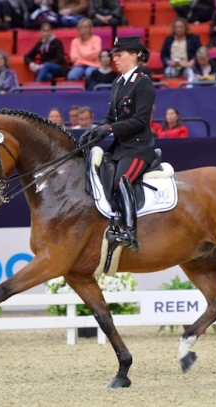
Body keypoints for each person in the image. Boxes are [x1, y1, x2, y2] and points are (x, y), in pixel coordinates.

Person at [80, 35, 155, 252]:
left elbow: (140, 121)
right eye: (114, 55)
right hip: (120, 148)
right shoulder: (117, 83)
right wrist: (96, 131)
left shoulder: (143, 83)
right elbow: (110, 117)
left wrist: (110, 129)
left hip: (138, 147)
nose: (115, 59)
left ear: (134, 56)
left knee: (122, 179)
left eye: (119, 55)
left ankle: (130, 231)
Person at [66, 18, 101, 83]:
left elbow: (96, 54)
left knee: (90, 74)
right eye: (81, 27)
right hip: (79, 65)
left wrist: (81, 54)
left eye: (86, 27)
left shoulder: (96, 39)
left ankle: (90, 92)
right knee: (71, 76)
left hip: (93, 65)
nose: (84, 29)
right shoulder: (75, 41)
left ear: (90, 28)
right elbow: (73, 58)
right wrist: (89, 54)